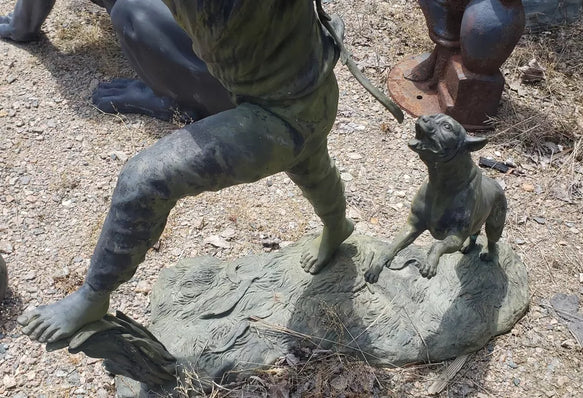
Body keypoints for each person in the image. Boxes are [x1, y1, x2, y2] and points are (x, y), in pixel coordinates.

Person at [17, 0, 355, 344]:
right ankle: (337, 226)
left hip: (282, 115)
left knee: (144, 179)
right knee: (312, 165)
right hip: (311, 87)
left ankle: (93, 295)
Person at [0, 0, 234, 121]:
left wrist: (20, 26)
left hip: (227, 78)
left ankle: (179, 99)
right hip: (255, 52)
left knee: (130, 11)